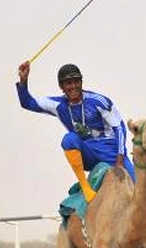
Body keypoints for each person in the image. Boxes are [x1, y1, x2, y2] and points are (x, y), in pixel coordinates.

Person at [16, 61, 135, 202]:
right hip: (87, 153)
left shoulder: (99, 101)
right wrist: (23, 81)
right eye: (68, 83)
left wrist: (120, 160)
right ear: (61, 87)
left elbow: (120, 128)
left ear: (81, 82)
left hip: (112, 153)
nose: (73, 86)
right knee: (69, 139)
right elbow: (28, 103)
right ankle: (86, 189)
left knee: (138, 190)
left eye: (76, 82)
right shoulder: (58, 105)